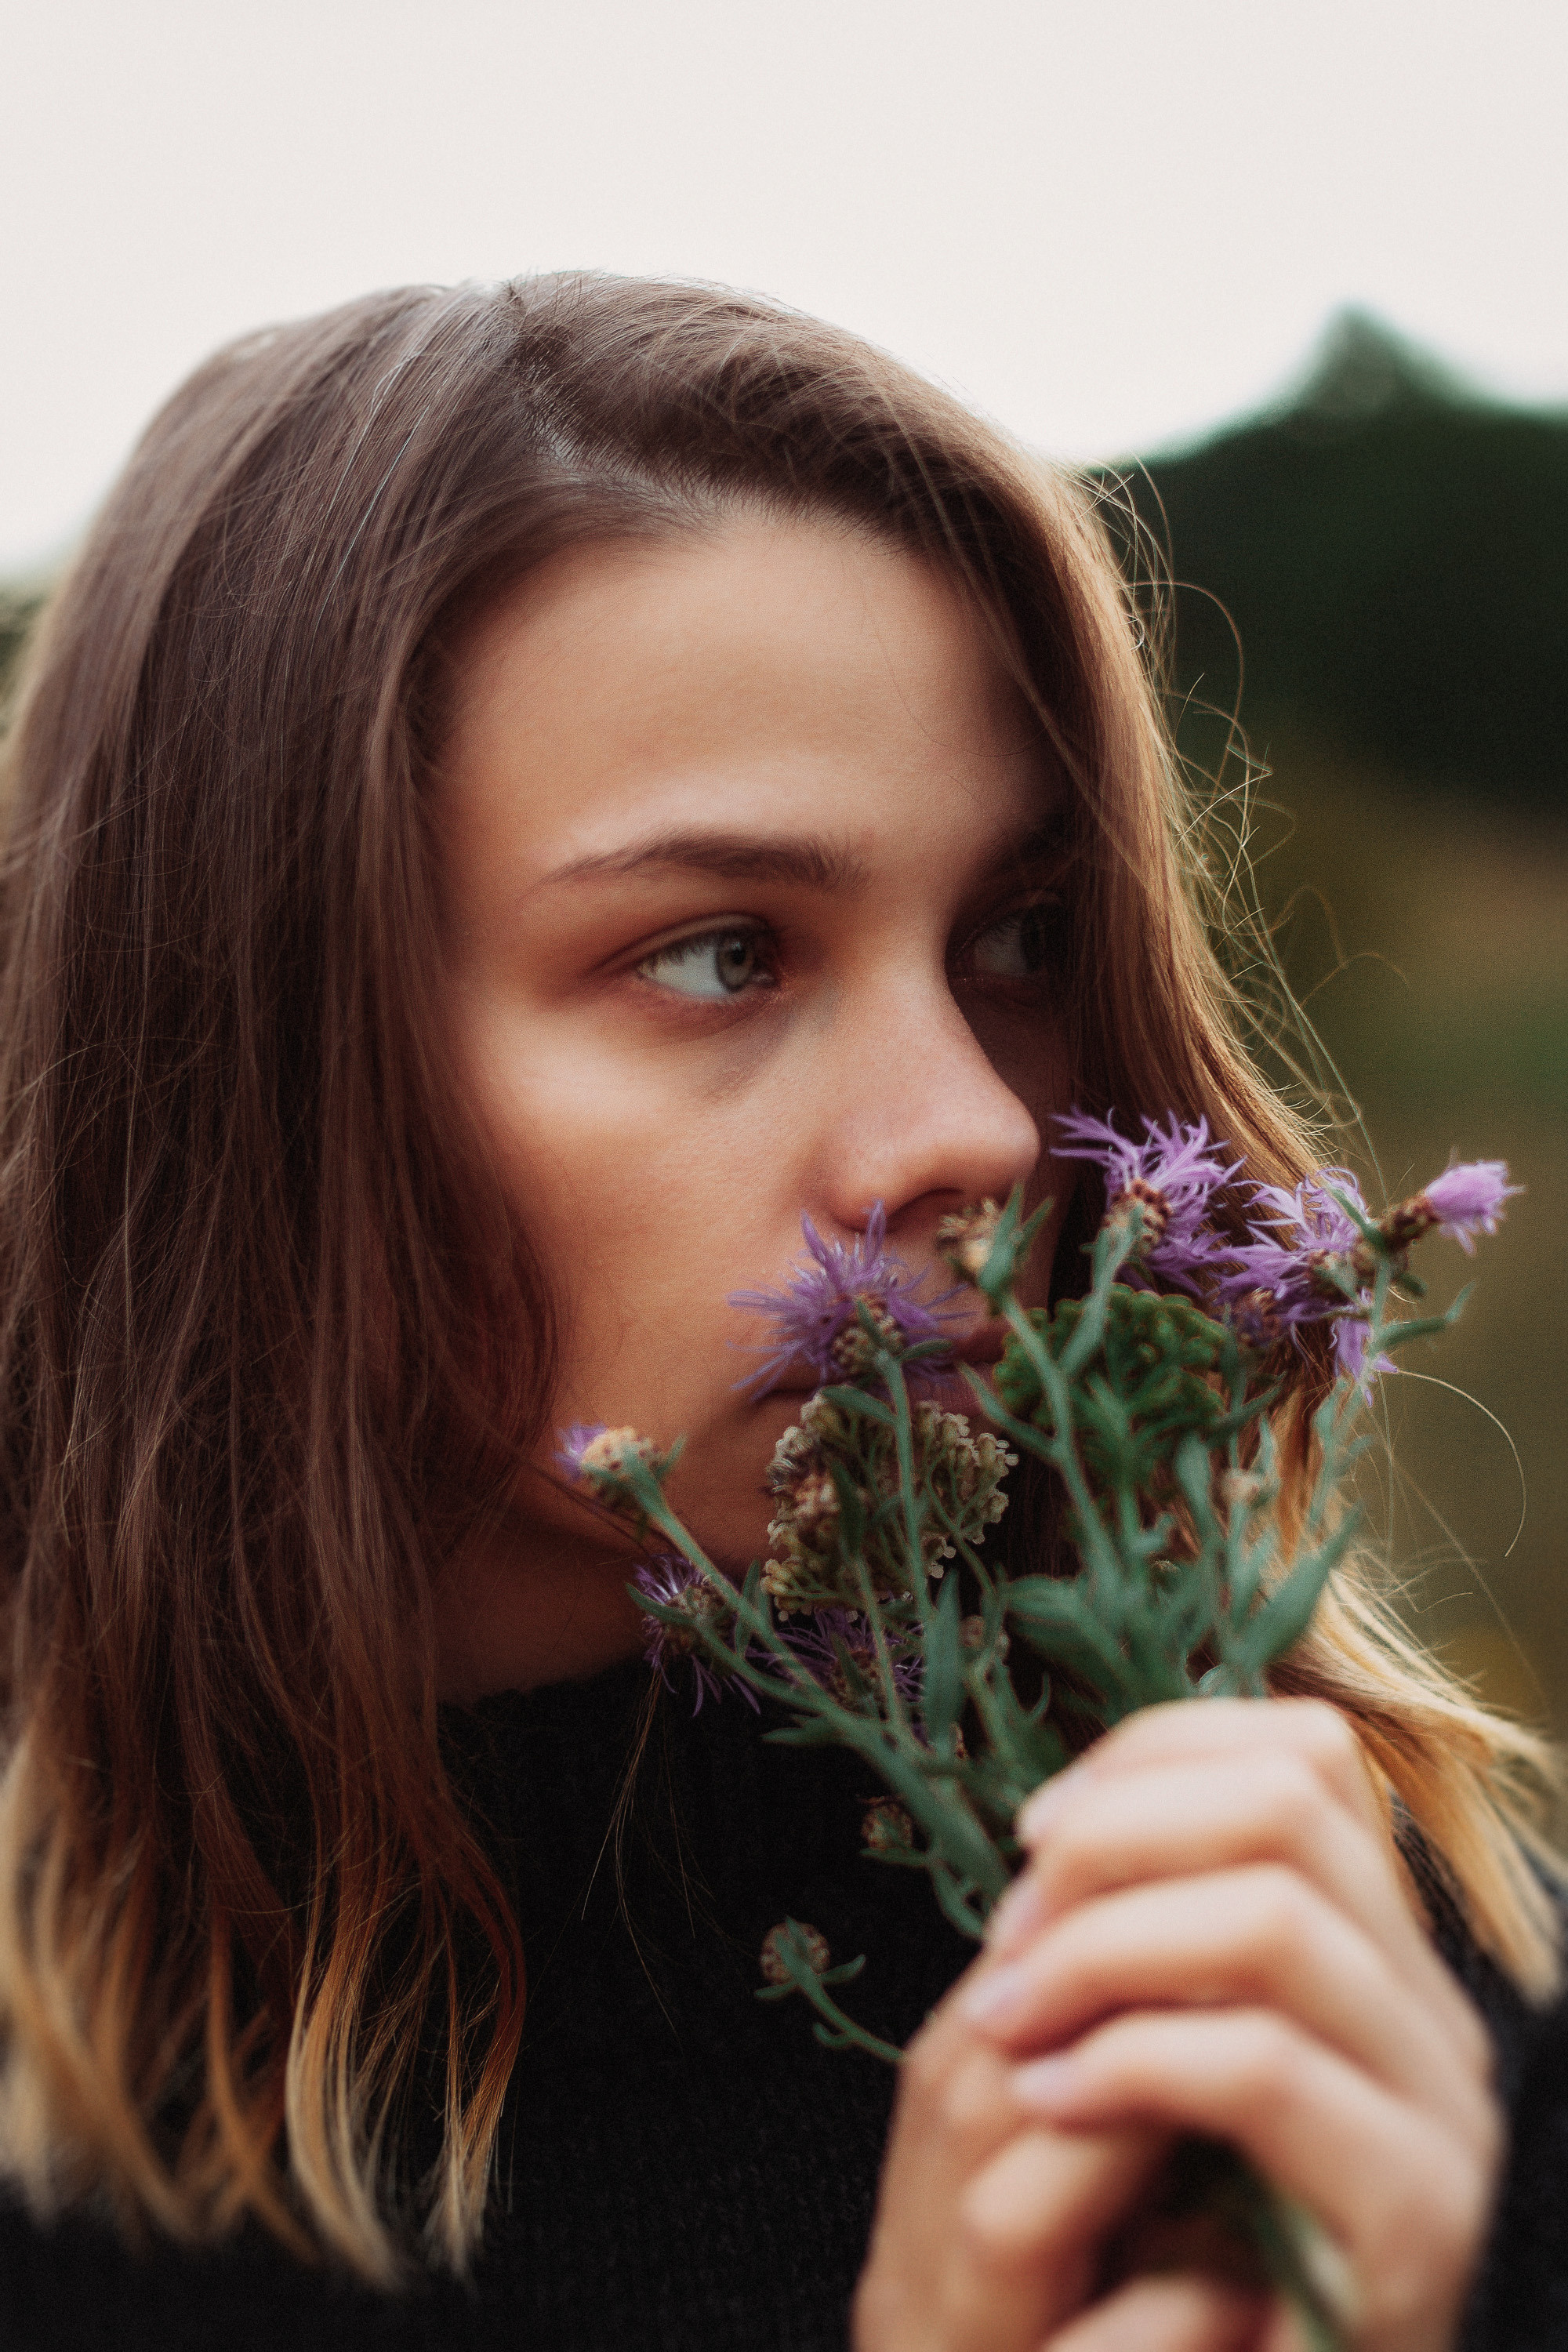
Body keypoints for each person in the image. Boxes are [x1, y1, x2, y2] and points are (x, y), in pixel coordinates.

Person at [0, 274, 1560, 2352]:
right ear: (248, 1063)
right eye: (723, 952)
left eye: (1017, 935)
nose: (985, 1129)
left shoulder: (1357, 2031)